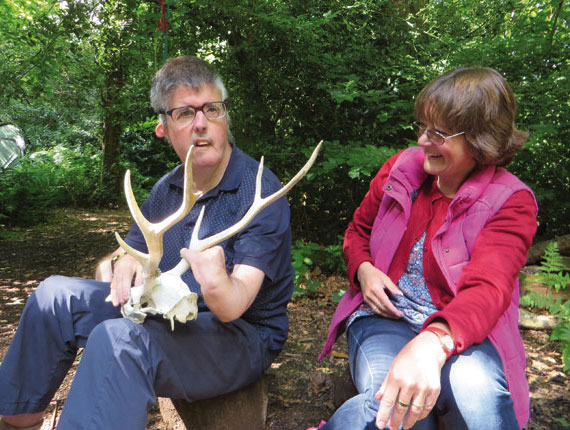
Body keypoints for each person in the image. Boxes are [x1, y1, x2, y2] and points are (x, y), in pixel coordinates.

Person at [0, 56, 295, 430]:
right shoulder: (167, 188)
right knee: (54, 296)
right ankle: (16, 419)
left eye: (212, 109)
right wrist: (121, 262)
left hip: (241, 336)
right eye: (186, 113)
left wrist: (217, 279)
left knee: (119, 339)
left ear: (226, 118)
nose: (202, 123)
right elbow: (124, 255)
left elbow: (233, 306)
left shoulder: (260, 192)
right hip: (169, 316)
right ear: (164, 128)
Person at [313, 67, 537, 430]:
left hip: (464, 331)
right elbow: (357, 231)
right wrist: (363, 270)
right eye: (421, 127)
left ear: (482, 138)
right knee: (392, 405)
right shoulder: (401, 170)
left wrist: (433, 342)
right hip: (385, 318)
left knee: (478, 393)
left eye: (439, 133)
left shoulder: (510, 201)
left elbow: (488, 290)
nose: (422, 141)